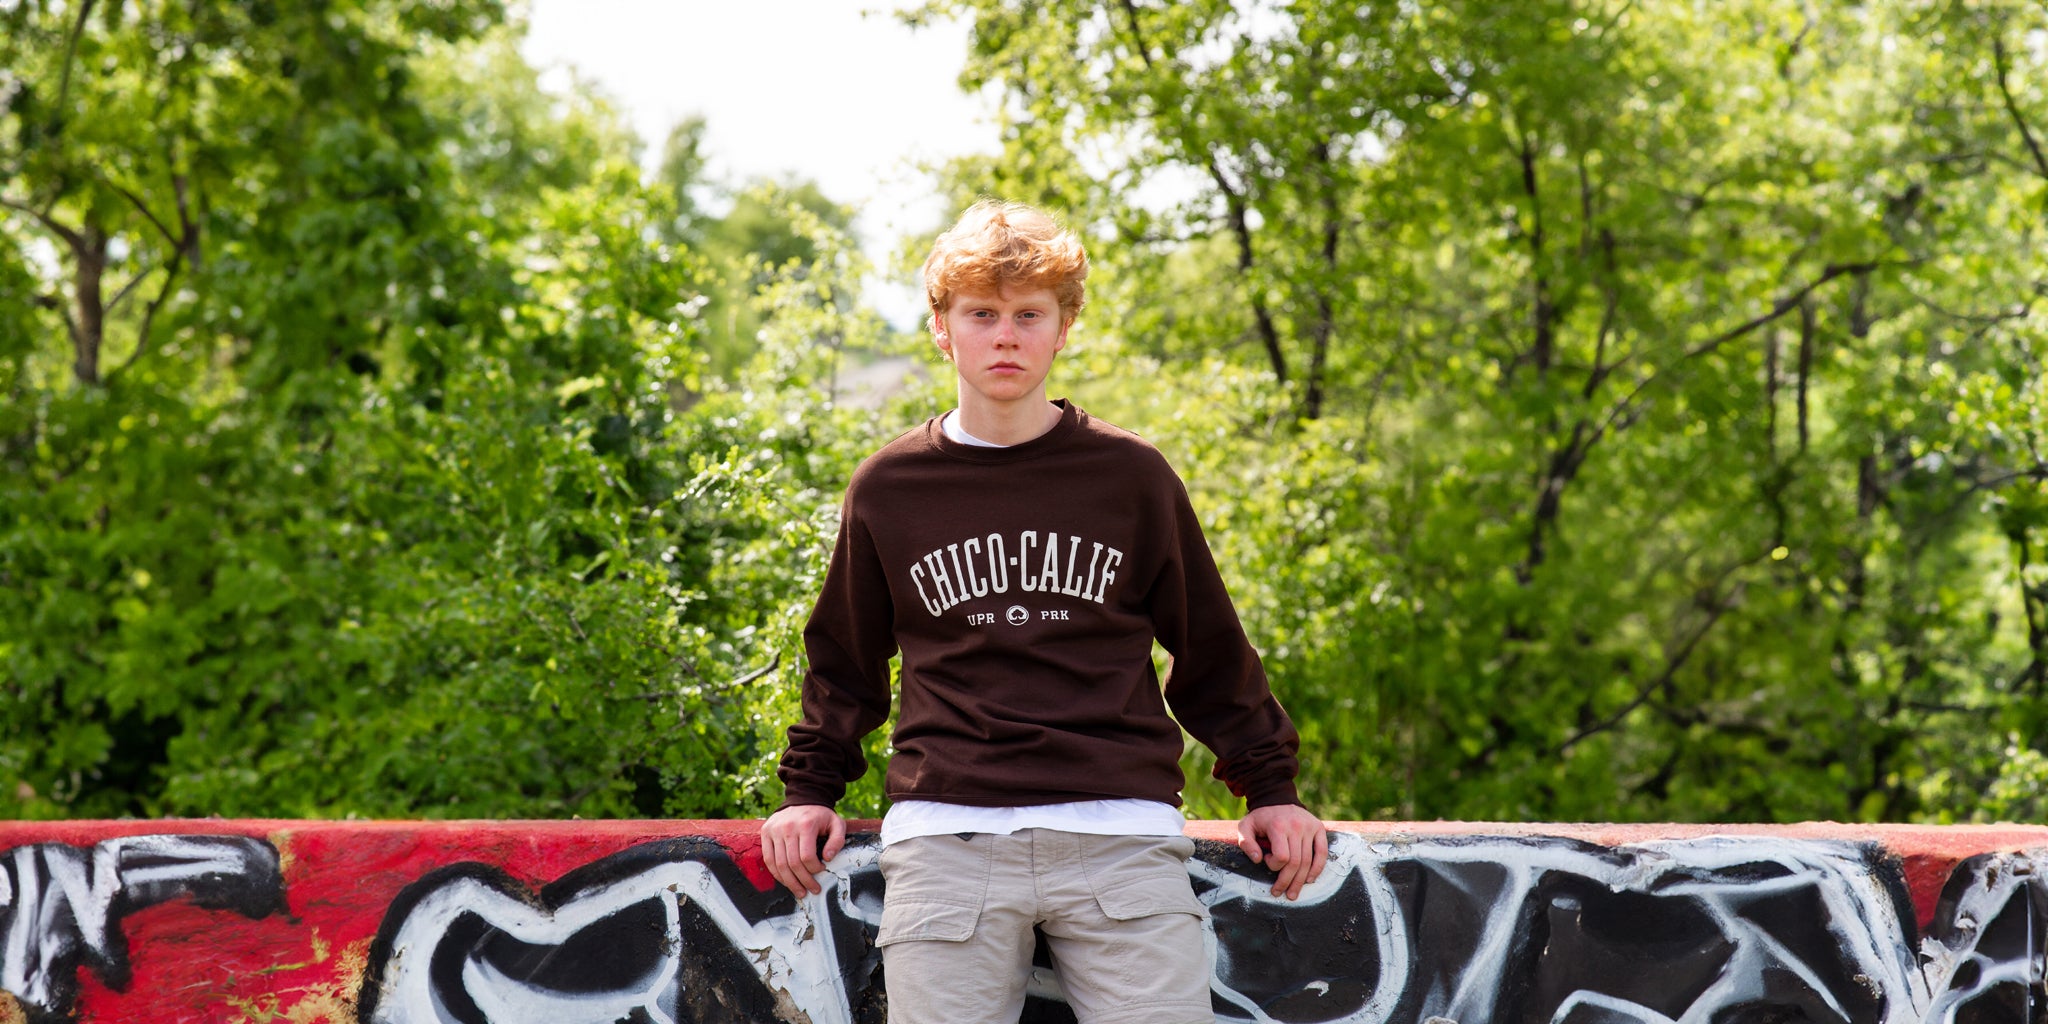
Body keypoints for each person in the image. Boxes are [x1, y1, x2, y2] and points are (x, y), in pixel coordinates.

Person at [761, 198, 1326, 1024]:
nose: (1005, 335)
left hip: (1120, 835)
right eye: (981, 314)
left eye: (1029, 315)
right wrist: (809, 788)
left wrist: (1268, 787)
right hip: (948, 837)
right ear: (943, 329)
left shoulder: (1131, 477)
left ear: (1063, 329)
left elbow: (1207, 644)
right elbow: (844, 661)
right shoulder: (890, 486)